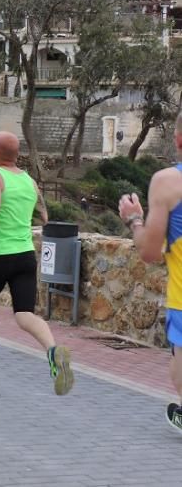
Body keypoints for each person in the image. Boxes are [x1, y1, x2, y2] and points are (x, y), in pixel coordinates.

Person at [0, 131, 74, 396]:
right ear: (17, 155)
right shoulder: (29, 181)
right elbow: (44, 213)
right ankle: (53, 351)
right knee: (24, 314)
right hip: (24, 255)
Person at [118, 111, 182, 433]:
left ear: (178, 139)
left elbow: (149, 252)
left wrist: (134, 219)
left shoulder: (169, 182)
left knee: (178, 370)